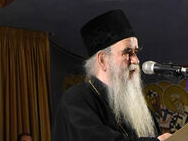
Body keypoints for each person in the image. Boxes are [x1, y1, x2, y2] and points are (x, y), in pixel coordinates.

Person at [53, 9, 172, 140]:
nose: (136, 60)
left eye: (136, 52)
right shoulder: (76, 99)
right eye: (127, 52)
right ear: (103, 60)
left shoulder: (138, 108)